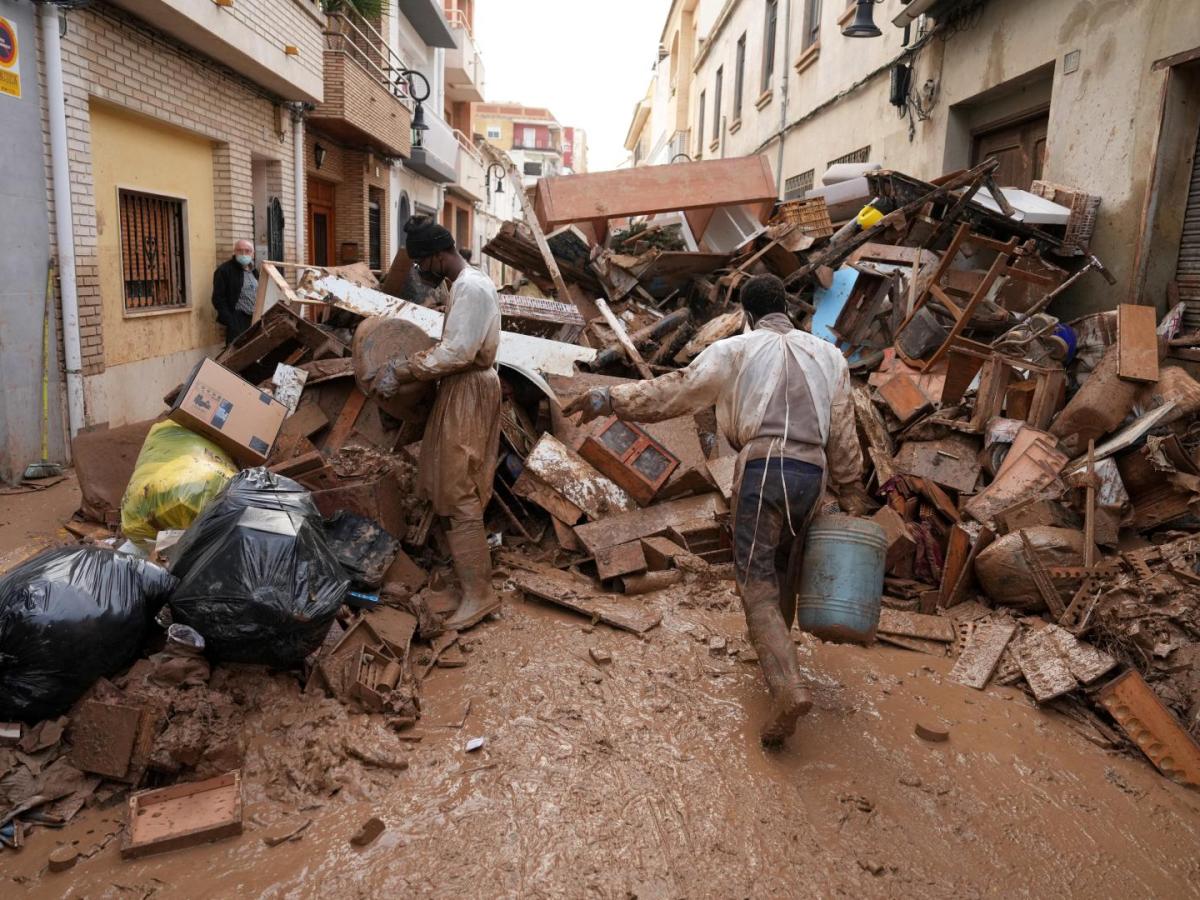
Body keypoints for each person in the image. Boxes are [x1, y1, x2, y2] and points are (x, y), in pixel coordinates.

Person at [564, 274, 874, 748]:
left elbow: (676, 391)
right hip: (813, 472)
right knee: (786, 567)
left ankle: (788, 688)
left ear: (746, 315)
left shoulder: (737, 349)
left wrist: (610, 398)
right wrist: (851, 491)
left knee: (756, 580)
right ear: (787, 310)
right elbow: (844, 435)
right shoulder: (830, 355)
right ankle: (782, 659)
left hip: (764, 465)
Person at [373, 217, 503, 631]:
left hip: (469, 388)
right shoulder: (465, 285)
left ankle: (479, 594)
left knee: (457, 488)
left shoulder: (470, 288)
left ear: (437, 256)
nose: (420, 272)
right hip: (462, 388)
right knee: (445, 483)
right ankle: (466, 582)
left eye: (421, 262)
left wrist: (406, 370)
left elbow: (458, 352)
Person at [211, 240, 258, 344]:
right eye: (240, 251)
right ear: (234, 252)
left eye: (247, 251)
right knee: (237, 352)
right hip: (237, 319)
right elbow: (218, 299)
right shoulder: (224, 270)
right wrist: (230, 321)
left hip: (254, 319)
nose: (244, 254)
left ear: (253, 254)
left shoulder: (254, 271)